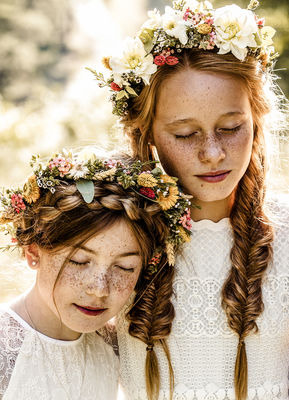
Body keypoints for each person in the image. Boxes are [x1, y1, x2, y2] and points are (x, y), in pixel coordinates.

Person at [92, 1, 289, 399]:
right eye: (185, 134)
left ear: (256, 119)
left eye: (231, 127)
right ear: (146, 134)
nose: (213, 153)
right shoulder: (115, 235)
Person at [0, 148, 192, 400]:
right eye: (79, 261)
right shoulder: (6, 351)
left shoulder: (117, 346)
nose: (100, 289)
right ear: (33, 251)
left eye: (125, 268)